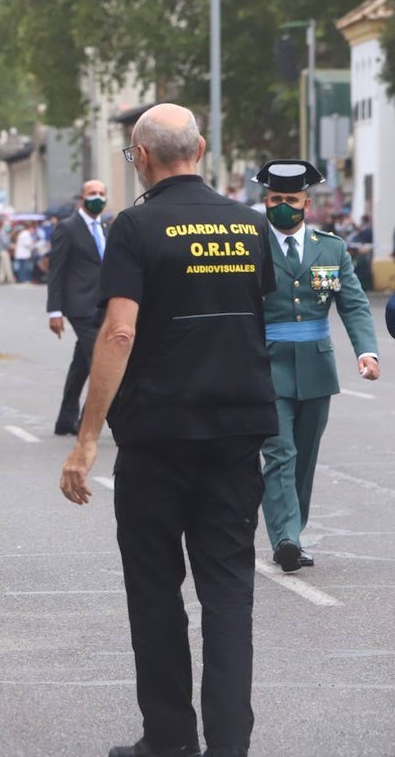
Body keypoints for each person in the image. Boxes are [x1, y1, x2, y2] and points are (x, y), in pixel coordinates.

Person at [60, 104, 279, 757]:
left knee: (156, 591)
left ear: (142, 157)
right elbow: (249, 315)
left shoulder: (134, 226)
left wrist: (86, 438)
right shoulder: (251, 225)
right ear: (203, 148)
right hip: (237, 431)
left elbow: (120, 330)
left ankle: (171, 737)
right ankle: (231, 743)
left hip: (158, 435)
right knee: (228, 588)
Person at [252, 159, 379, 573]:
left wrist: (367, 350)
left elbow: (355, 305)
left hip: (317, 368)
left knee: (304, 457)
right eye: (275, 199)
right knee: (281, 453)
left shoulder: (332, 248)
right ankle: (285, 538)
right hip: (267, 366)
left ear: (307, 202)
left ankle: (294, 530)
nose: (283, 206)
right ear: (265, 201)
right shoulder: (252, 246)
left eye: (291, 199)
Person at [46, 180, 109, 436]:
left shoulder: (107, 226)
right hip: (80, 306)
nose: (97, 198)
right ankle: (87, 424)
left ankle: (65, 420)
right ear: (81, 198)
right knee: (103, 362)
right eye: (92, 193)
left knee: (81, 365)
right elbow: (56, 271)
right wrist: (55, 311)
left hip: (103, 304)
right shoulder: (68, 227)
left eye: (102, 194)